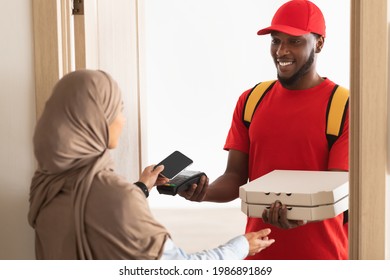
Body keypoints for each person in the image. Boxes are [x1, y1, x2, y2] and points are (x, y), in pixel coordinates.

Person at [27, 69, 275, 260]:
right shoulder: (116, 198)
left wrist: (141, 187)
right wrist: (241, 246)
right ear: (94, 121)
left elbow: (98, 216)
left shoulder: (45, 185)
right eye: (117, 109)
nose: (123, 120)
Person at [180, 0, 349, 260]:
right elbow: (235, 177)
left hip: (323, 258)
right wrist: (202, 192)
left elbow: (336, 193)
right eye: (275, 40)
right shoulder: (251, 100)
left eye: (294, 41)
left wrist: (300, 213)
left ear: (319, 43)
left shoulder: (344, 106)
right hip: (258, 257)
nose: (281, 51)